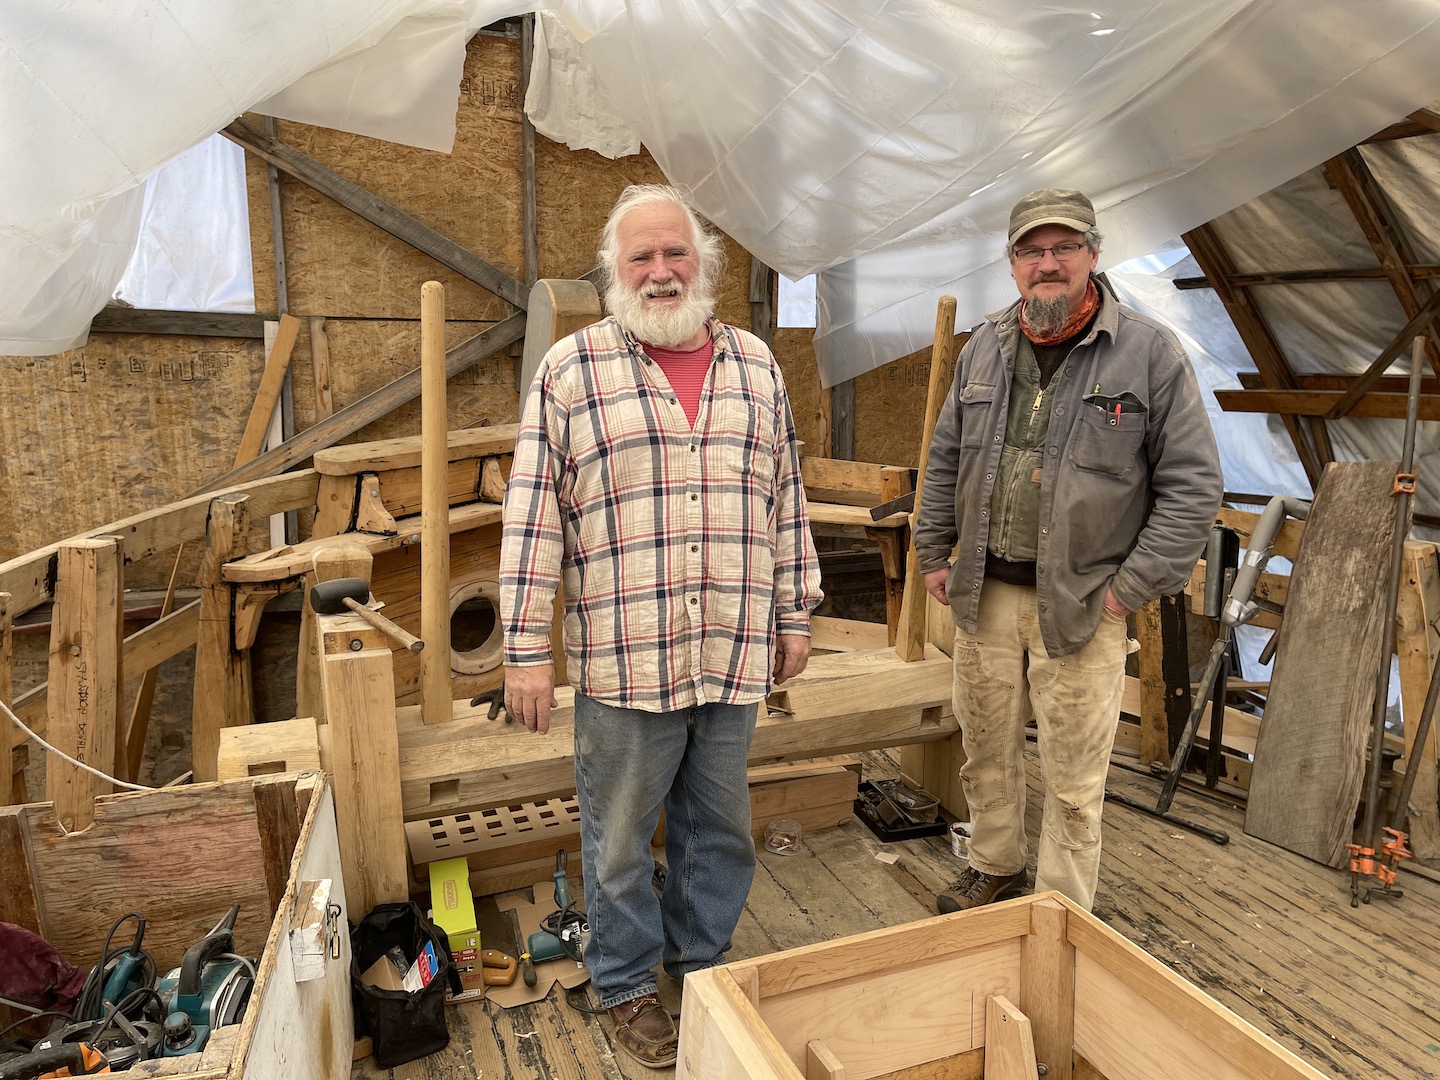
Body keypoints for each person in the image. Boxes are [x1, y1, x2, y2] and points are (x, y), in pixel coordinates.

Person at [499, 184, 823, 1068]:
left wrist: (794, 611)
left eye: (674, 253)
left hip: (730, 647)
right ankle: (628, 983)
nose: (660, 271)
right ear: (614, 271)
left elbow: (784, 502)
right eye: (640, 257)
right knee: (616, 843)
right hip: (626, 660)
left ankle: (703, 965)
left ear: (704, 264)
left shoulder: (756, 367)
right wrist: (526, 652)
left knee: (717, 829)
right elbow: (532, 520)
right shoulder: (572, 372)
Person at [912, 188, 1222, 914]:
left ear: (1093, 255)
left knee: (1075, 774)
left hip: (1085, 603)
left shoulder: (1148, 354)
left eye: (1063, 248)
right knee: (985, 747)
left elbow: (1193, 486)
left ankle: (1059, 906)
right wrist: (933, 549)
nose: (1047, 264)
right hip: (985, 591)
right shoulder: (984, 346)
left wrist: (1129, 589)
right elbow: (946, 456)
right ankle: (994, 863)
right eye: (1031, 251)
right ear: (1013, 262)